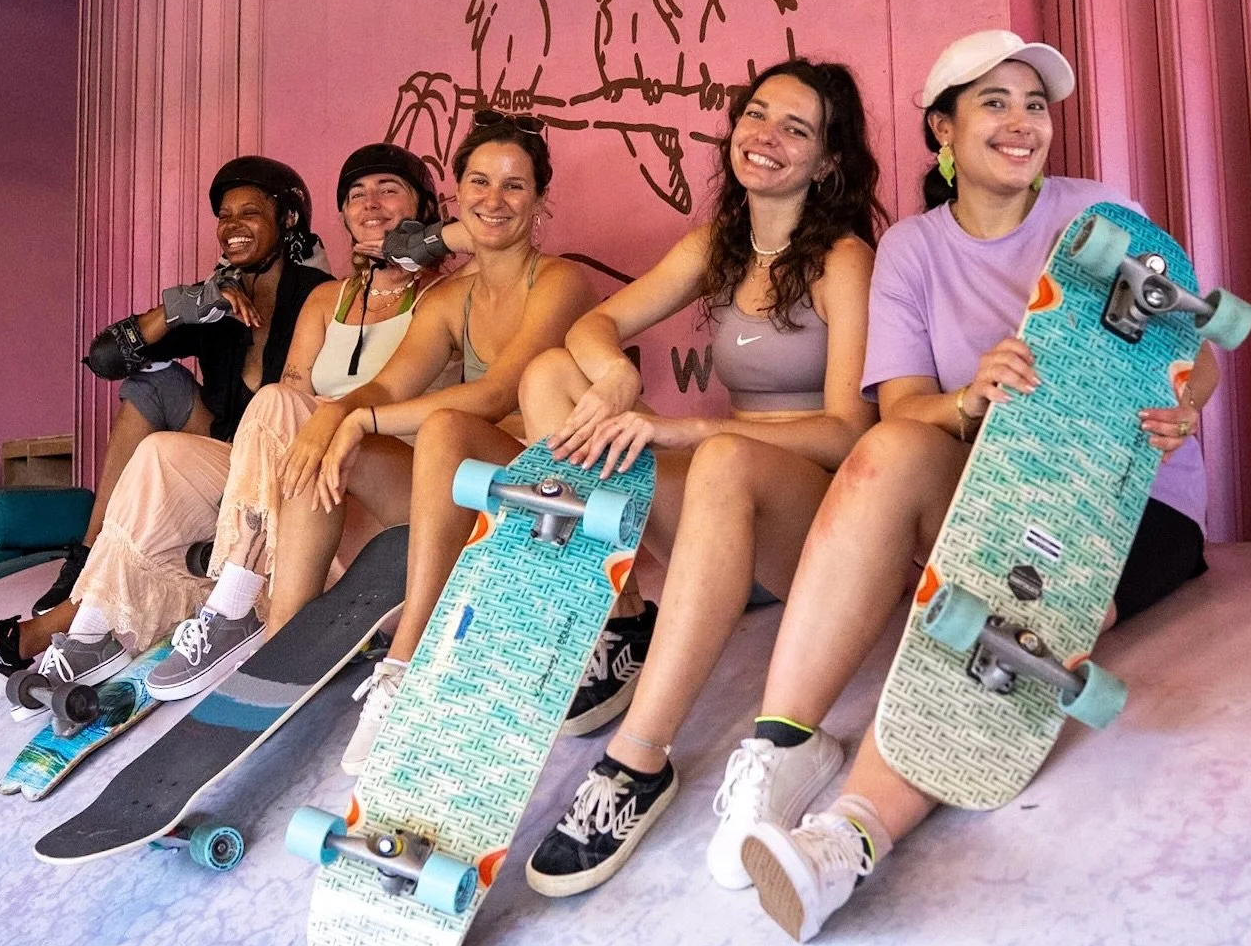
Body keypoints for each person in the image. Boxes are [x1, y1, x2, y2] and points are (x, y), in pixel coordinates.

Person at [727, 30, 1217, 942]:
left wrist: (1183, 405)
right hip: (995, 483)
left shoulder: (1100, 216)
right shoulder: (910, 249)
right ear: (942, 130)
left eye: (1036, 104)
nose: (1023, 121)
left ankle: (850, 835)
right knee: (891, 451)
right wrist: (972, 393)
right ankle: (782, 740)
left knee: (1009, 591)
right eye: (994, 102)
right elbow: (907, 410)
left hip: (1121, 499)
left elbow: (1195, 348)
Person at [509, 59, 887, 896]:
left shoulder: (844, 260)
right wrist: (612, 375)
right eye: (757, 115)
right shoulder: (715, 246)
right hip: (722, 520)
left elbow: (849, 430)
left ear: (828, 160)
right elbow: (595, 322)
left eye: (796, 128)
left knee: (716, 456)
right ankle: (626, 617)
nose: (766, 137)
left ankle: (636, 764)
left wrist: (687, 424)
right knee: (546, 376)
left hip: (811, 531)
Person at [268, 111, 598, 772]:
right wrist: (335, 417)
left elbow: (498, 393)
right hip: (464, 495)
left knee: (443, 425)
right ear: (459, 191)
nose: (494, 201)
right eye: (480, 181)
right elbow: (387, 388)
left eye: (514, 186)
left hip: (545, 501)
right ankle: (281, 645)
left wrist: (362, 419)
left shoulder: (560, 279)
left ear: (540, 200)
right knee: (337, 439)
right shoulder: (452, 296)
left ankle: (406, 664)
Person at [0, 156, 329, 700]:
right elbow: (105, 357)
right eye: (224, 216)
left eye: (250, 212)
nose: (232, 226)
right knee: (150, 386)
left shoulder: (317, 294)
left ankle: (52, 626)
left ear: (289, 219)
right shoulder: (217, 304)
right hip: (218, 456)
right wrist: (187, 307)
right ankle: (86, 565)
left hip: (279, 464)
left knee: (263, 408)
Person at [142, 142, 450, 698]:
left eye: (389, 190)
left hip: (403, 500)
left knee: (284, 407)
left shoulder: (452, 295)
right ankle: (95, 626)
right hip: (318, 508)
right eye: (356, 194)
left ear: (426, 207)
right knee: (164, 452)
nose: (371, 204)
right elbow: (293, 400)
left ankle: (239, 604)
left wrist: (429, 245)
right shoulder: (328, 299)